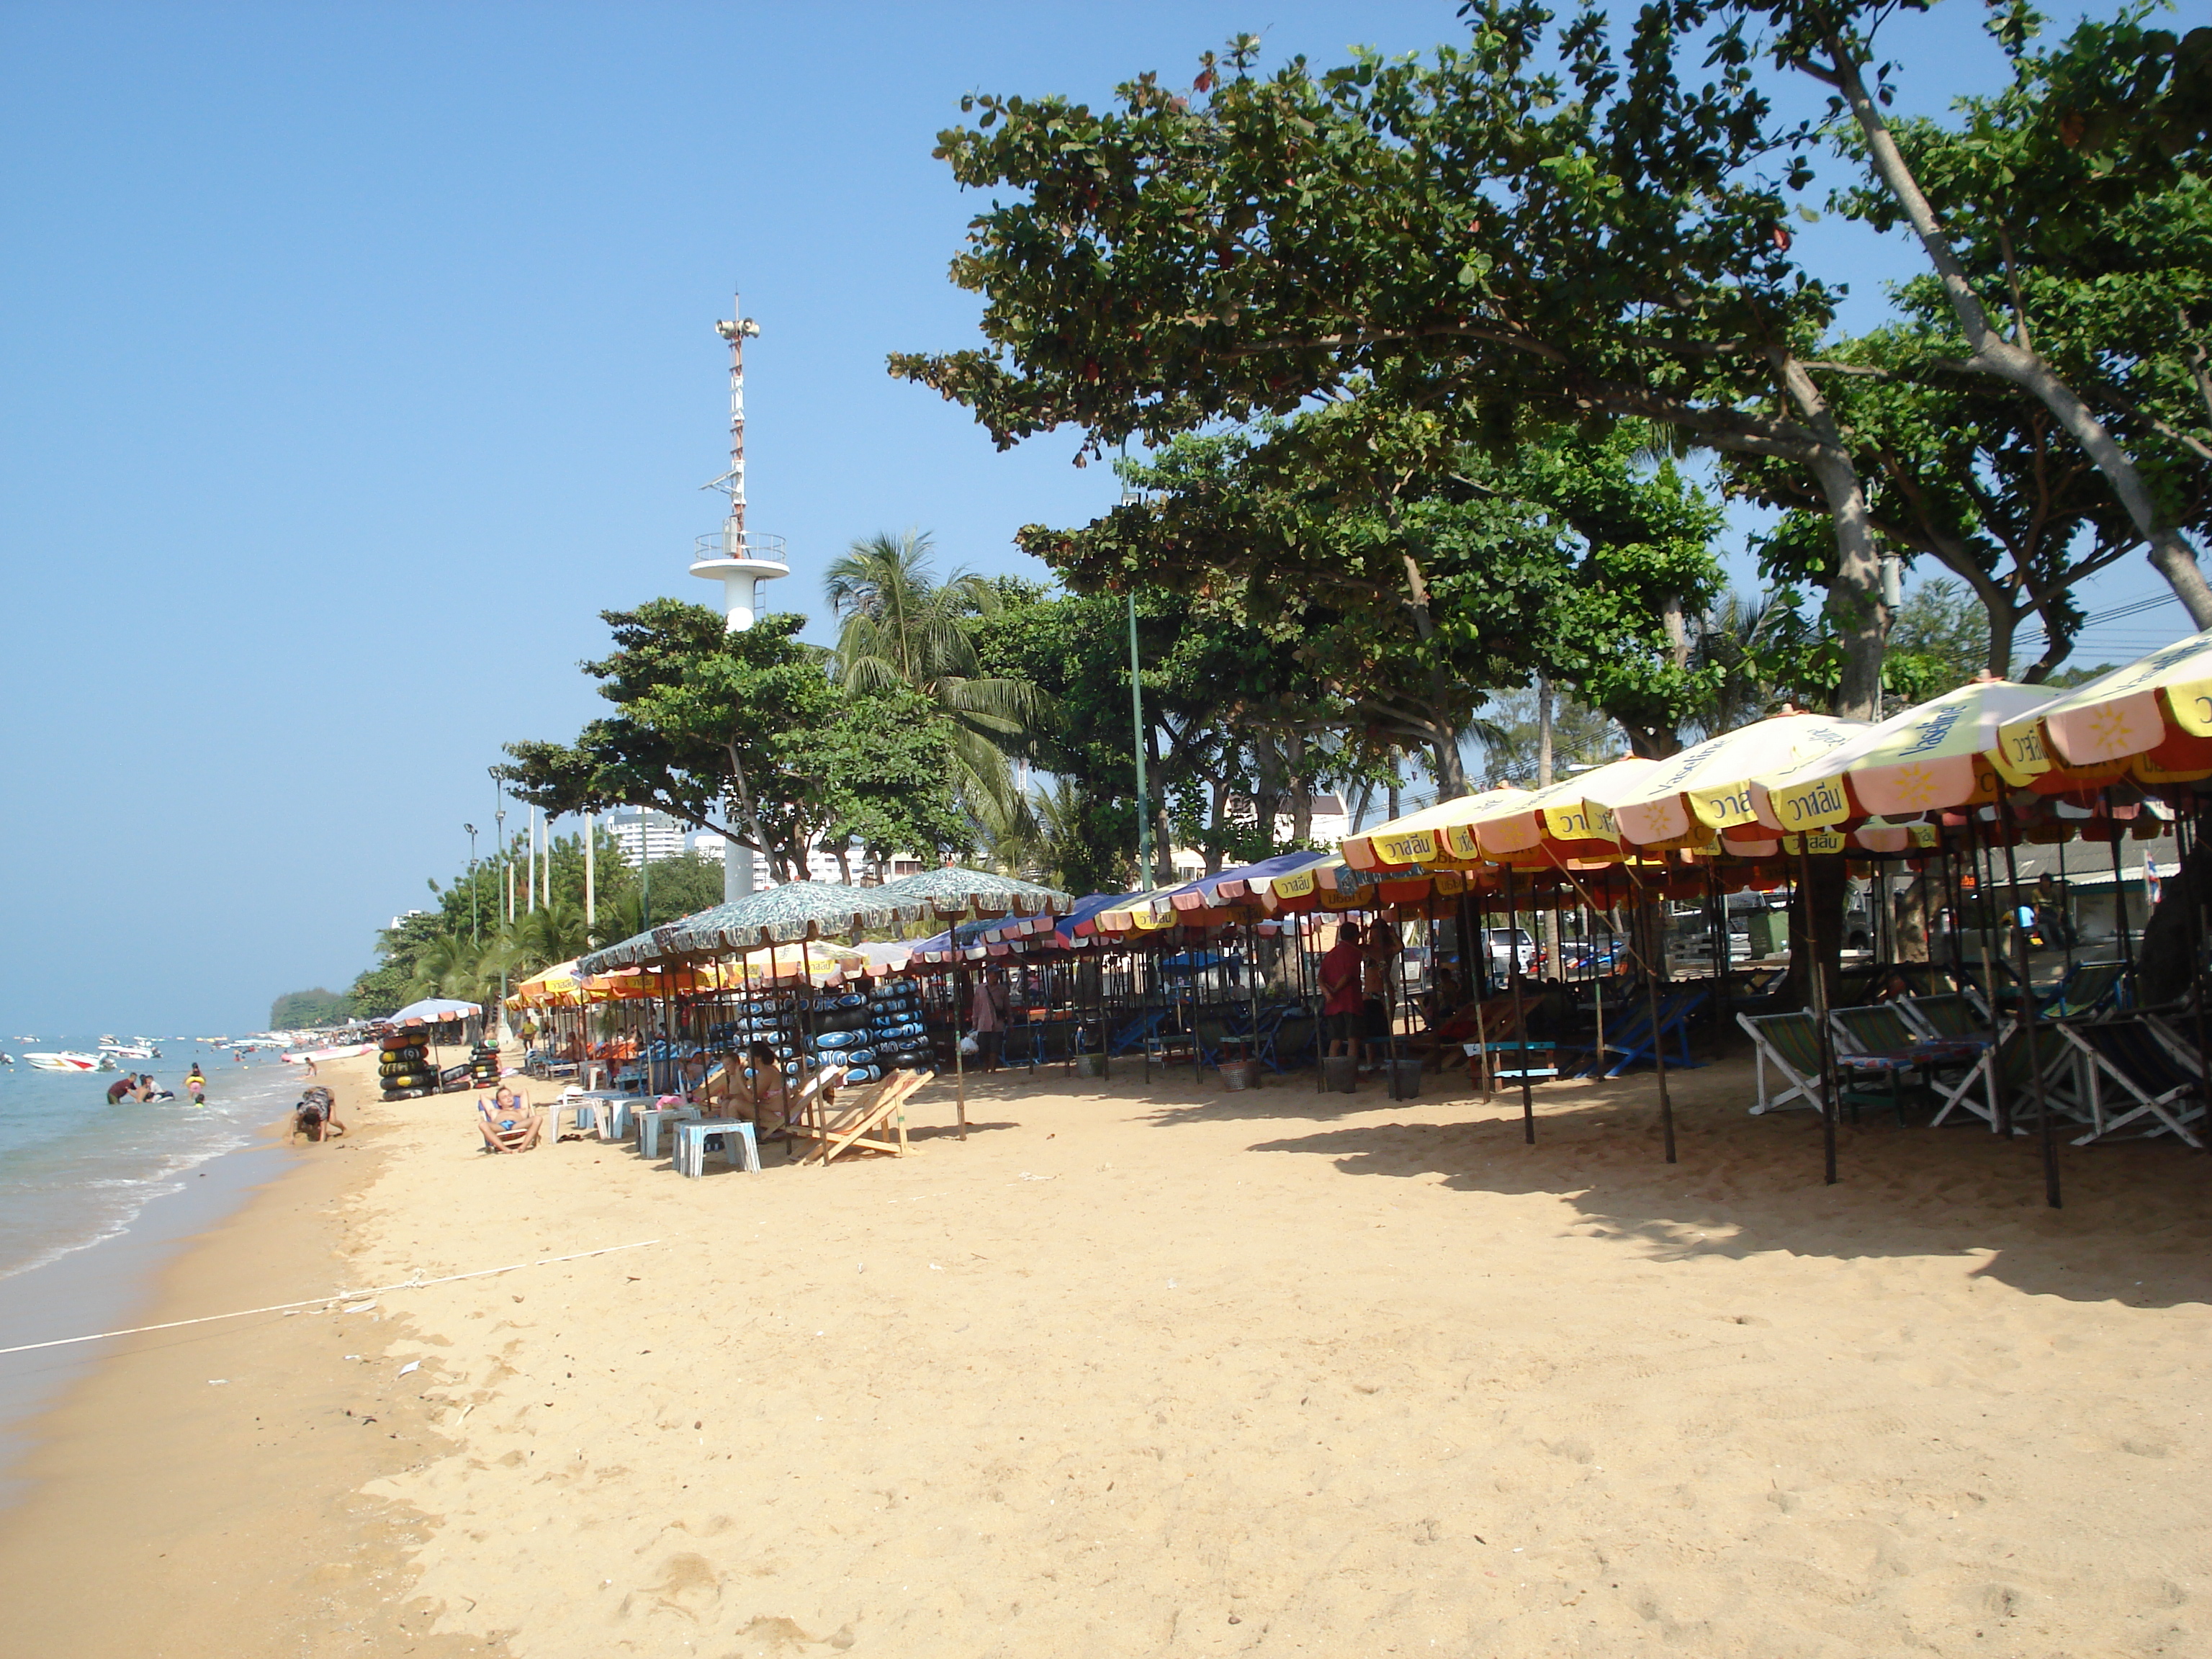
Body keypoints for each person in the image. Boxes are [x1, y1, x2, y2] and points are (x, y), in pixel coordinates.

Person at [1318, 920, 1365, 1062]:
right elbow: (1347, 976)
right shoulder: (1354, 952)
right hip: (1350, 1001)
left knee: (1336, 1040)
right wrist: (1335, 991)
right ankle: (1352, 1074)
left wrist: (1327, 993)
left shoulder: (1331, 954)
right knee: (1353, 1039)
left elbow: (1320, 978)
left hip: (1333, 1005)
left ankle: (1334, 1073)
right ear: (1355, 936)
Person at [477, 1084, 540, 1153]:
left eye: (510, 1096)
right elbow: (483, 1096)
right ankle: (504, 1149)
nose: (508, 1098)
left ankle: (524, 1145)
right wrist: (497, 1098)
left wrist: (509, 1095)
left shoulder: (522, 1110)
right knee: (482, 1125)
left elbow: (523, 1091)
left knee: (538, 1118)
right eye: (504, 1097)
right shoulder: (495, 1112)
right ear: (499, 1103)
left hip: (517, 1125)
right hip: (501, 1126)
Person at [969, 971, 1008, 1071]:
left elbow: (1007, 1007)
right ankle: (986, 1066)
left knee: (995, 1048)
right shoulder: (980, 989)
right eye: (994, 974)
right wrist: (975, 1021)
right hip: (983, 1023)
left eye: (998, 974)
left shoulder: (1002, 990)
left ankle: (993, 1068)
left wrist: (1010, 1021)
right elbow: (976, 1006)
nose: (996, 977)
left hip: (998, 1023)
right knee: (983, 1047)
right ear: (988, 975)